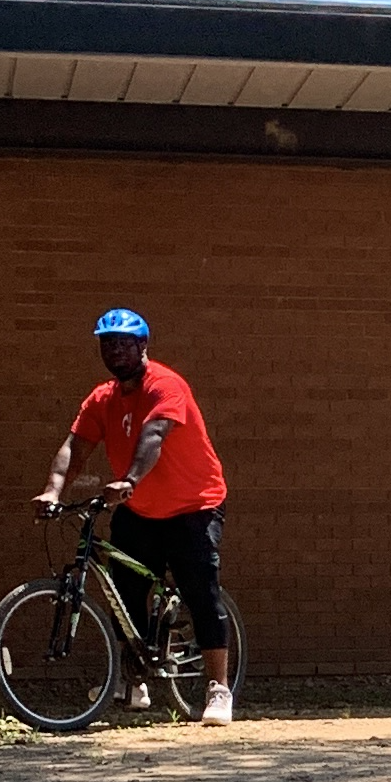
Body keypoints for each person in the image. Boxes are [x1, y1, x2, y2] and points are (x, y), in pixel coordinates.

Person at [33, 309, 235, 724]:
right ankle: (134, 681)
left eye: (124, 342)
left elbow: (154, 436)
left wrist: (129, 480)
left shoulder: (166, 385)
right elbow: (75, 447)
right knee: (123, 590)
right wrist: (53, 491)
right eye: (108, 343)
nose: (115, 349)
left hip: (194, 504)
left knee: (199, 588)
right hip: (141, 509)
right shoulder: (102, 399)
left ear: (143, 346)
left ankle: (218, 688)